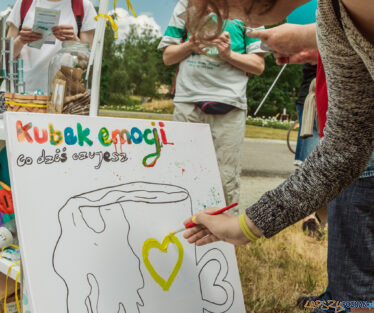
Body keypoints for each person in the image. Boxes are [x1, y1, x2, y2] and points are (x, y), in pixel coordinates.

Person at [182, 0, 374, 311]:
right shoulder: (335, 14)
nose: (231, 20)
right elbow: (345, 146)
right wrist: (245, 226)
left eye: (225, 9)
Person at [158, 0, 266, 214]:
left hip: (230, 104)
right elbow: (168, 57)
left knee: (225, 177)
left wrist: (228, 54)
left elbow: (258, 65)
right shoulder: (187, 4)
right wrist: (191, 44)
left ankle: (222, 244)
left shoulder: (252, 6)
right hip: (188, 100)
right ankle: (182, 234)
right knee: (182, 170)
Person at [0, 0, 97, 112]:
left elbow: (88, 62)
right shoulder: (24, 3)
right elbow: (5, 58)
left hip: (62, 100)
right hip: (16, 98)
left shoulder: (82, 5)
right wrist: (21, 40)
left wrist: (73, 41)